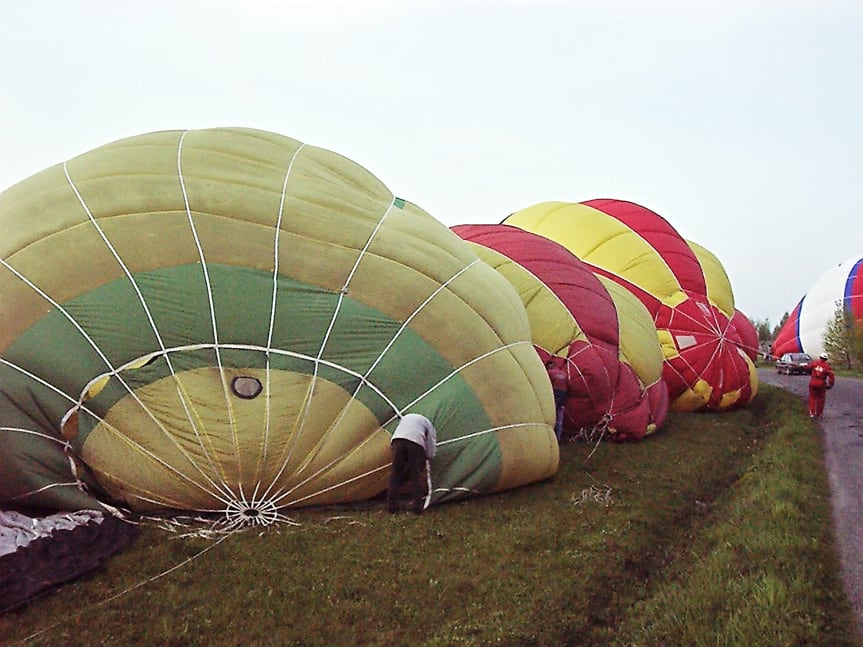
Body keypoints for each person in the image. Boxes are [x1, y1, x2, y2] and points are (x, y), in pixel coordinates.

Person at [387, 413, 437, 514]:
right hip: (415, 442)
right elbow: (431, 442)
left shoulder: (406, 417)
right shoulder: (428, 423)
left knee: (395, 474)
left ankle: (391, 506)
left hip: (397, 440)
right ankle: (417, 507)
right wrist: (429, 456)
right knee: (415, 475)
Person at [545, 359, 569, 441]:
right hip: (563, 395)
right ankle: (558, 437)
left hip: (554, 394)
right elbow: (568, 385)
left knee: (551, 415)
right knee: (560, 417)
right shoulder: (564, 373)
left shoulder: (550, 373)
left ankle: (550, 437)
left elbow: (547, 384)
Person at [807, 352, 835, 418]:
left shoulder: (815, 363)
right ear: (826, 359)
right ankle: (819, 413)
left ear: (820, 357)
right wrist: (830, 384)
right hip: (821, 383)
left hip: (813, 382)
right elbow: (831, 376)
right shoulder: (827, 366)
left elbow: (808, 368)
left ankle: (812, 412)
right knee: (821, 399)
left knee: (812, 397)